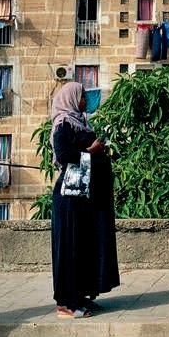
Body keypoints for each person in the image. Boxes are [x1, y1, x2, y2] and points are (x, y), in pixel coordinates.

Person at [50, 82, 120, 318]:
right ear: (71, 99)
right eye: (81, 97)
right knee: (70, 247)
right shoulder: (63, 124)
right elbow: (64, 155)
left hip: (84, 198)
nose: (84, 101)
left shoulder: (80, 122)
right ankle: (66, 305)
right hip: (70, 198)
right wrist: (92, 151)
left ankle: (80, 297)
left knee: (83, 246)